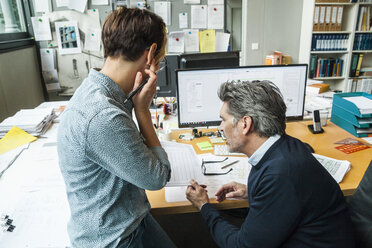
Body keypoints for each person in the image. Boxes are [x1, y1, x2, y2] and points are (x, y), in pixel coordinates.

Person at [57, 7, 175, 248]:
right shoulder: (102, 114)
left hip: (131, 217)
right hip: (114, 238)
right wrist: (142, 111)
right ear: (151, 53)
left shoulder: (102, 92)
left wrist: (136, 104)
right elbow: (157, 177)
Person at [186, 80, 355, 247]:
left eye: (223, 120)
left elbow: (241, 246)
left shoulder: (279, 174)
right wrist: (252, 191)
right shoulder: (285, 146)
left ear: (245, 124)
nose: (220, 127)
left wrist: (204, 205)